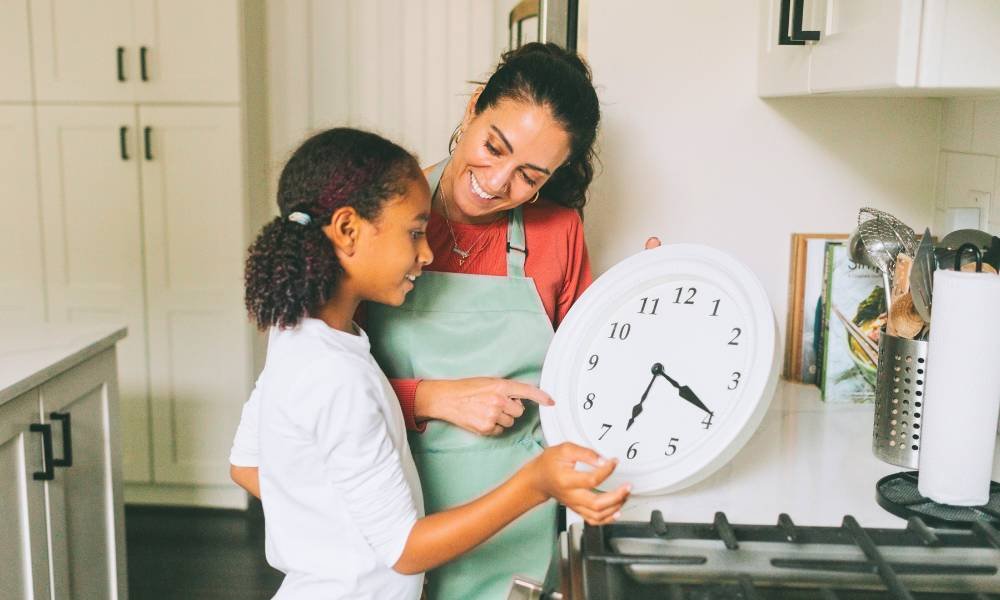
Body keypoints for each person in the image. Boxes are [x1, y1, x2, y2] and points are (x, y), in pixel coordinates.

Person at [232, 127, 629, 600]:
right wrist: (535, 482)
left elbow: (246, 464)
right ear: (347, 230)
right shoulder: (338, 377)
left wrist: (342, 530)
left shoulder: (296, 334)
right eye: (416, 232)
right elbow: (405, 550)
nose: (426, 252)